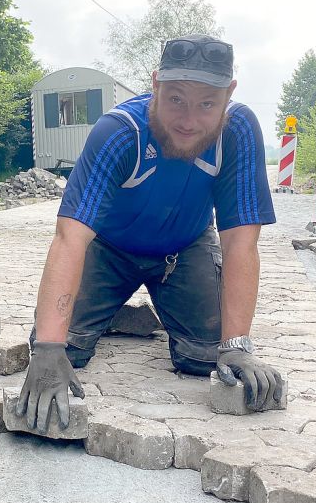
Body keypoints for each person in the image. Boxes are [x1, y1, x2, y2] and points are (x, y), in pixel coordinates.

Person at [17, 34, 285, 431]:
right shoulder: (120, 132)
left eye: (207, 104)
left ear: (229, 95)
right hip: (107, 252)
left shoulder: (239, 132)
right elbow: (70, 238)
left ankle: (130, 314)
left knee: (206, 357)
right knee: (63, 351)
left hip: (185, 250)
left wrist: (238, 346)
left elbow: (241, 242)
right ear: (156, 84)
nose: (189, 120)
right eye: (176, 98)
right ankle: (105, 314)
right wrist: (48, 347)